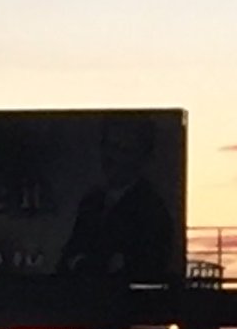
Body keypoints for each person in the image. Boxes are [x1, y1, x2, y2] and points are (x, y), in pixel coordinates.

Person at [57, 117, 175, 281]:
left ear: (141, 157)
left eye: (123, 149)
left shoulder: (151, 209)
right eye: (109, 146)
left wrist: (91, 265)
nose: (112, 157)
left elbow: (146, 267)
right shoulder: (91, 203)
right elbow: (68, 257)